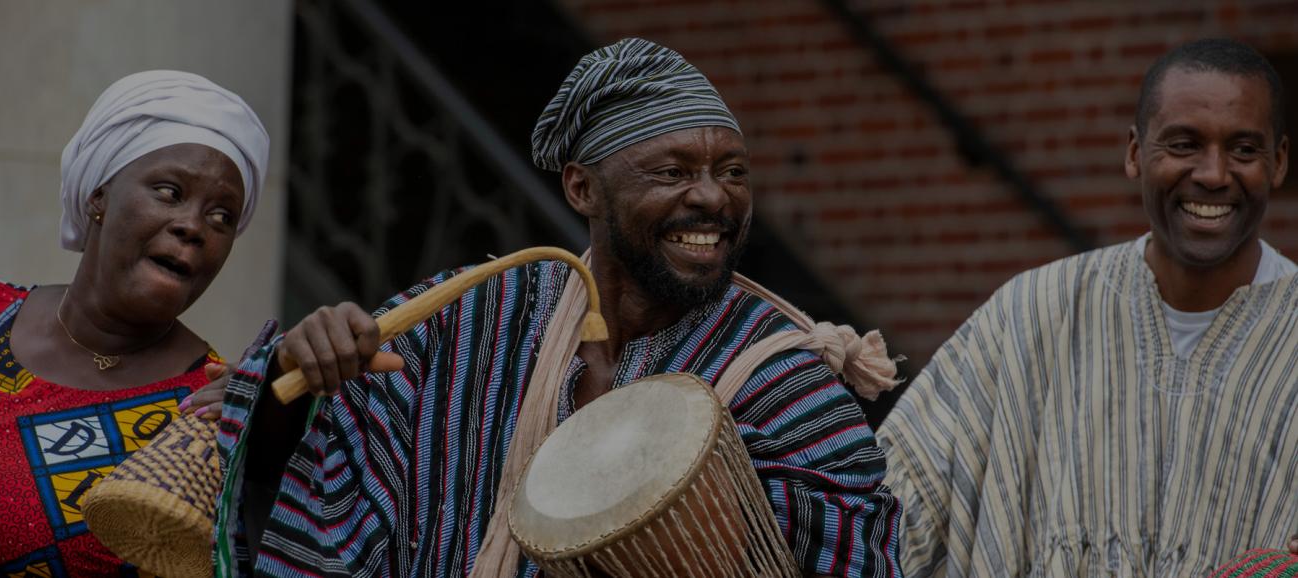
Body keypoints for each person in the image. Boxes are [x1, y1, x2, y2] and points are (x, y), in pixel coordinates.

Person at [213, 38, 903, 577]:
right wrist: (291, 380)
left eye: (733, 173)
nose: (713, 199)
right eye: (673, 173)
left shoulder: (784, 376)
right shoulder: (472, 315)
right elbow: (316, 463)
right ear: (582, 190)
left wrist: (679, 489)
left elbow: (859, 544)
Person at [878, 38, 1298, 577]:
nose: (1214, 174)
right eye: (1184, 144)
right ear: (1134, 153)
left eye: (1244, 149)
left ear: (1278, 162)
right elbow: (889, 509)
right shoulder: (1029, 316)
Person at [0, 70, 270, 576]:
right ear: (99, 195)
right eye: (169, 192)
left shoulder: (212, 410)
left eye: (222, 217)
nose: (193, 226)